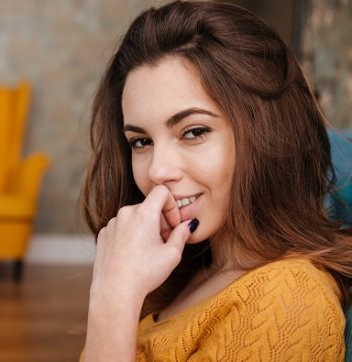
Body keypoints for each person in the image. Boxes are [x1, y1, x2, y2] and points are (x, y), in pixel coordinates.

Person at [80, 1, 352, 360]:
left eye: (193, 132)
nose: (158, 171)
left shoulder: (286, 300)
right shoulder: (174, 276)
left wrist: (112, 300)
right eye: (141, 141)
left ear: (266, 134)